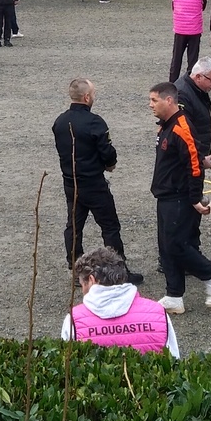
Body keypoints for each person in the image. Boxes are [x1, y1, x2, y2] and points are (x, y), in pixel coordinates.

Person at [148, 81, 211, 315]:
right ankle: (174, 295)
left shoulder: (181, 127)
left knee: (177, 244)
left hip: (179, 197)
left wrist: (195, 199)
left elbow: (194, 166)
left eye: (154, 100)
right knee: (166, 246)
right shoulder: (166, 125)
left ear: (169, 100)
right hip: (165, 195)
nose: (150, 105)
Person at [52, 79, 140, 279]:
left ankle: (77, 270)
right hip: (93, 183)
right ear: (86, 97)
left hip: (70, 182)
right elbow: (106, 151)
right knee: (110, 227)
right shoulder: (94, 122)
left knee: (74, 227)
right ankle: (118, 272)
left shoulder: (59, 121)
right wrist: (110, 164)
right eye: (93, 94)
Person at [62, 246, 176, 356]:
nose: (83, 291)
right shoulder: (158, 313)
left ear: (92, 280)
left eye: (83, 285)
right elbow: (174, 358)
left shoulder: (74, 320)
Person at [168, 0, 205, 81]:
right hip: (194, 29)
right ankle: (190, 82)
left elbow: (173, 6)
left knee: (176, 57)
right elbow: (203, 7)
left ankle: (173, 81)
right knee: (192, 59)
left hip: (180, 28)